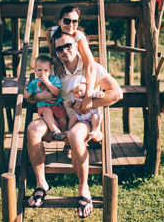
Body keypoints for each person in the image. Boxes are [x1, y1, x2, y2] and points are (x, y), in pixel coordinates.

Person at [25, 33, 123, 218]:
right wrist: (38, 96)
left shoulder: (91, 68)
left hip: (83, 118)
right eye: (59, 48)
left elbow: (117, 94)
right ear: (55, 51)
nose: (64, 50)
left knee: (75, 135)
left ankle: (83, 188)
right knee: (32, 129)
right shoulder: (52, 69)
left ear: (77, 45)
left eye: (68, 45)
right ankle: (41, 184)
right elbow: (31, 95)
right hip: (57, 116)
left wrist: (89, 104)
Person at [46, 6, 97, 113]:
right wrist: (56, 61)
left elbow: (90, 65)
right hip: (63, 73)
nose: (70, 25)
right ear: (59, 21)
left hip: (78, 73)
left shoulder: (79, 37)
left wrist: (88, 93)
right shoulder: (51, 32)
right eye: (67, 21)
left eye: (75, 21)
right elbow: (53, 54)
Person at [24, 55, 67, 140]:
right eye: (39, 70)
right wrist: (22, 87)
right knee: (47, 112)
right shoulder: (34, 83)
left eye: (46, 70)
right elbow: (27, 95)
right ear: (35, 70)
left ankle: (66, 141)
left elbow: (56, 92)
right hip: (44, 107)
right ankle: (54, 131)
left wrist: (47, 82)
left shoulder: (54, 79)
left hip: (58, 106)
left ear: (50, 71)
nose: (42, 73)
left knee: (64, 122)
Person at [66, 75, 104, 142]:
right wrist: (70, 104)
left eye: (81, 90)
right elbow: (73, 104)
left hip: (92, 114)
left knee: (95, 117)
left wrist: (99, 94)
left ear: (86, 87)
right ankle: (69, 130)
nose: (79, 93)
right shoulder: (75, 97)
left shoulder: (89, 94)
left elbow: (95, 94)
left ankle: (95, 131)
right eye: (76, 92)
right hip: (82, 116)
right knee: (73, 117)